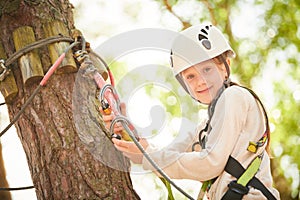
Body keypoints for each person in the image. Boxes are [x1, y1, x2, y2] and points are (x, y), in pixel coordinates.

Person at [101, 24, 280, 200]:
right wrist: (126, 128)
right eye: (190, 76)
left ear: (225, 67)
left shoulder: (234, 96)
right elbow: (167, 156)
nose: (200, 81)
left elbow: (210, 163)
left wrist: (148, 155)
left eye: (207, 69)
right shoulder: (206, 127)